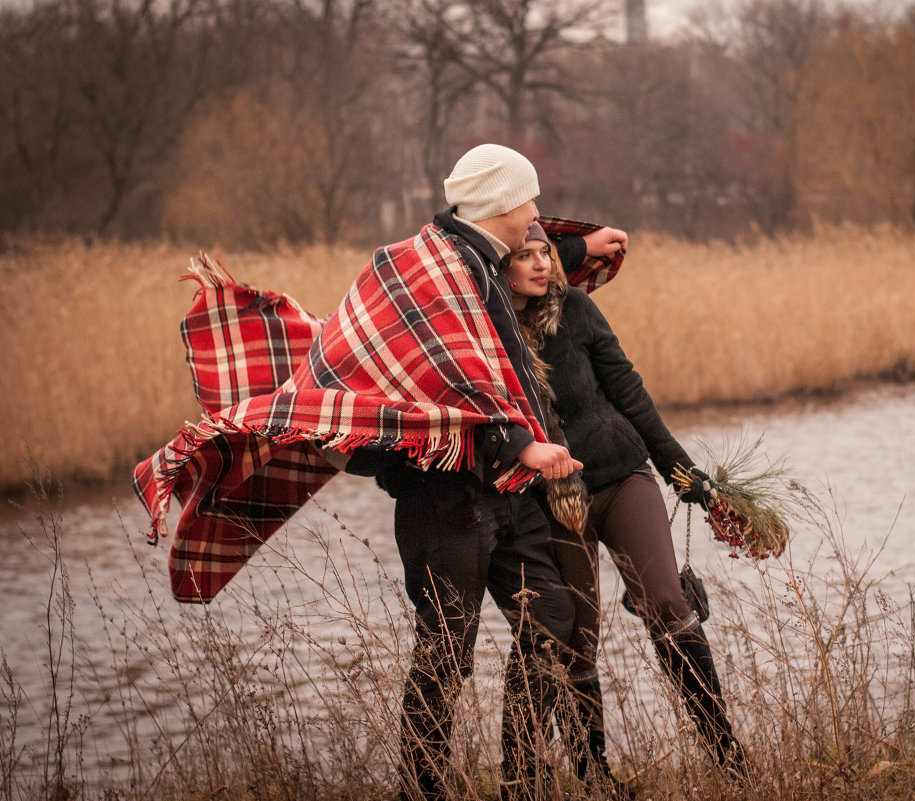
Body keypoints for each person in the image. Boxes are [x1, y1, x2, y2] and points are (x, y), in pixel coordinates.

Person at [134, 145, 619, 801]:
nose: (535, 212)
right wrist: (520, 444)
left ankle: (523, 782)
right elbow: (456, 376)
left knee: (552, 622)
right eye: (528, 201)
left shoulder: (476, 258)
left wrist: (581, 245)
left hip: (505, 490)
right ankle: (422, 789)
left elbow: (527, 273)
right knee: (446, 648)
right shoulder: (419, 267)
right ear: (501, 205)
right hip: (441, 499)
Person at [501, 223, 746, 796]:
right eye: (525, 255)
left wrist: (689, 479)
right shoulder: (489, 331)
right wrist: (578, 246)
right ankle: (595, 776)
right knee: (577, 637)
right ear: (501, 268)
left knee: (667, 603)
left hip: (622, 473)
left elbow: (630, 393)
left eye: (546, 254)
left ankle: (728, 756)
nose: (541, 265)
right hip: (557, 501)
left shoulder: (578, 309)